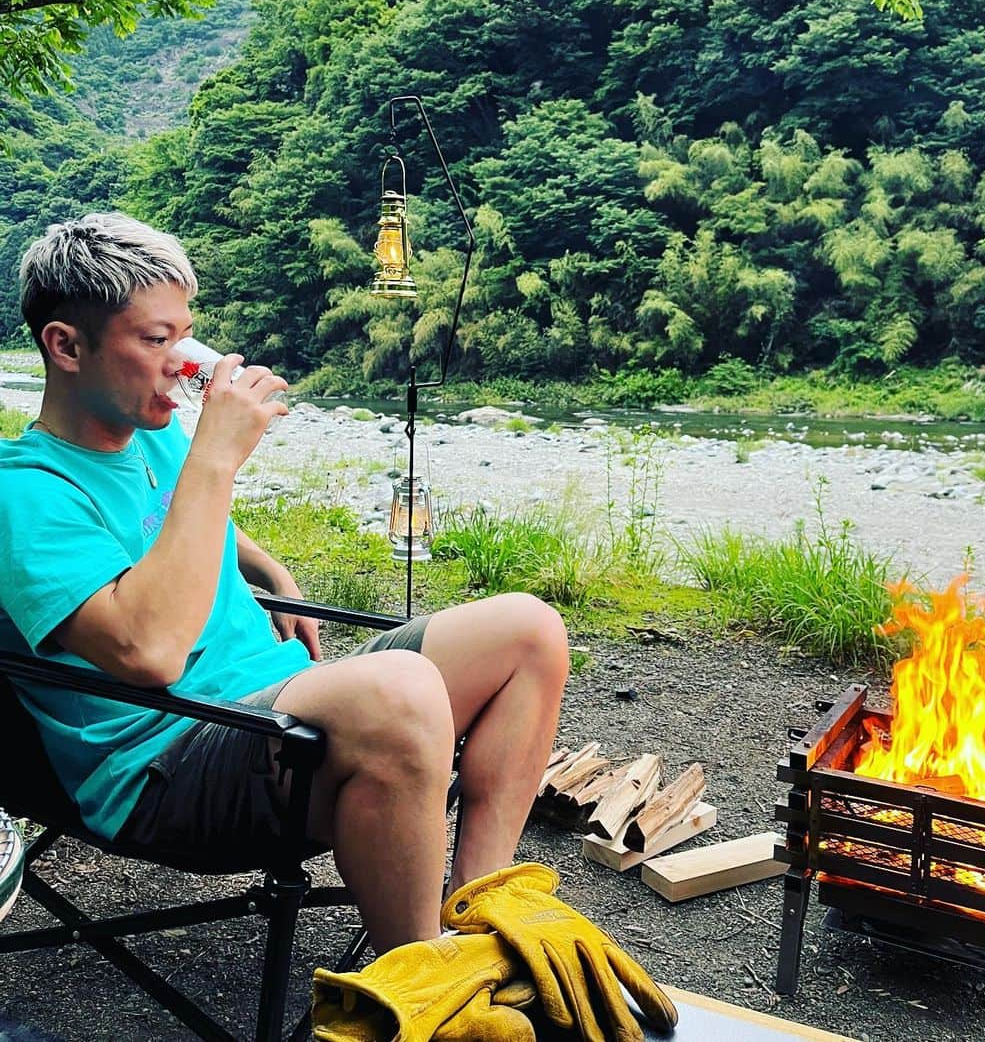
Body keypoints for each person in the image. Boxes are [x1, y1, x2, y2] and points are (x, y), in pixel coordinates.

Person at [0, 211, 571, 956]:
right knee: (398, 689)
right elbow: (149, 654)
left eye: (185, 334)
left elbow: (169, 523)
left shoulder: (157, 438)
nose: (184, 360)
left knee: (528, 630)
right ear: (65, 346)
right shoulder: (25, 494)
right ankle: (428, 984)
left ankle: (480, 910)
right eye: (155, 339)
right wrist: (214, 461)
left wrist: (264, 565)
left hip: (272, 709)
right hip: (165, 762)